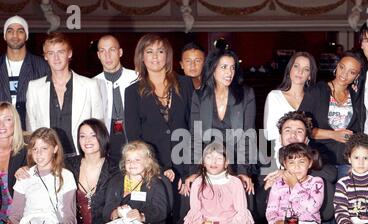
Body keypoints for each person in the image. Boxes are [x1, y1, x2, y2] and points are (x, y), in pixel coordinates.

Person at [124, 34, 191, 213]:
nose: (155, 57)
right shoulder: (132, 92)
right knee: (155, 221)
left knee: (183, 221)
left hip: (184, 166)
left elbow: (194, 126)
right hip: (152, 169)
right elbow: (134, 137)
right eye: (149, 51)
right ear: (142, 56)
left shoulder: (185, 85)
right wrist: (157, 167)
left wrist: (189, 170)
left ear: (167, 55)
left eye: (160, 51)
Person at [186, 48, 256, 197]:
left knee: (244, 193)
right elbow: (195, 137)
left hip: (237, 160)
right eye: (224, 67)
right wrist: (195, 172)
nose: (229, 72)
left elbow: (248, 136)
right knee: (191, 191)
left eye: (232, 67)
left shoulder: (246, 94)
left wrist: (244, 171)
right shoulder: (199, 95)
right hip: (209, 162)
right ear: (212, 69)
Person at [26, 33, 103, 156]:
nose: (56, 58)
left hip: (80, 156)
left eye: (60, 52)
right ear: (45, 56)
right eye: (51, 53)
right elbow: (32, 128)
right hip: (47, 158)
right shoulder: (34, 87)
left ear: (69, 53)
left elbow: (98, 127)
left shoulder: (90, 85)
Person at [259, 111, 337, 224]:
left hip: (311, 222)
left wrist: (289, 173)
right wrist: (266, 188)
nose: (293, 135)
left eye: (299, 131)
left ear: (306, 139)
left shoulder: (316, 153)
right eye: (287, 130)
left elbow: (331, 174)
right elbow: (260, 210)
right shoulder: (268, 161)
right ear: (280, 138)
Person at [300, 52, 363, 179]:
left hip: (348, 162)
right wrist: (333, 135)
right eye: (342, 67)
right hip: (320, 162)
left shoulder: (356, 97)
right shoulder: (317, 91)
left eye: (352, 72)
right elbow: (301, 128)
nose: (344, 74)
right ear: (337, 66)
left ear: (357, 76)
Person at [264, 51, 317, 167]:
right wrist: (278, 166)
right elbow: (270, 135)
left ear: (310, 75)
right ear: (289, 70)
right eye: (296, 66)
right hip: (279, 159)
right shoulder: (275, 96)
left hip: (305, 160)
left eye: (306, 69)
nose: (300, 72)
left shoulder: (314, 99)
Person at [0, 15, 49, 128]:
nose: (15, 35)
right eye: (10, 31)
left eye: (20, 31)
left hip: (32, 130)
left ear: (26, 35)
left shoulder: (42, 66)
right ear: (4, 36)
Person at [94, 35, 137, 163]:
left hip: (134, 140)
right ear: (98, 55)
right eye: (102, 51)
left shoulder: (137, 78)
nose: (107, 56)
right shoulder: (92, 83)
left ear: (120, 52)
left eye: (112, 50)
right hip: (107, 143)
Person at [0, 101, 27, 224]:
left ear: (15, 122)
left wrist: (31, 170)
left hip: (23, 220)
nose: (1, 125)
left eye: (7, 119)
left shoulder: (28, 153)